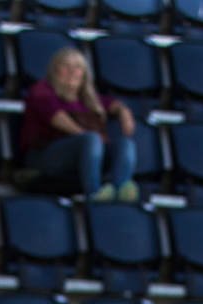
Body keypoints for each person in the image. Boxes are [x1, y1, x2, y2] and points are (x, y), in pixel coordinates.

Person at [18, 47, 139, 203]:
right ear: (54, 69)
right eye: (65, 66)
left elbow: (112, 104)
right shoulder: (42, 91)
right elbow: (56, 118)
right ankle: (93, 193)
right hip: (45, 156)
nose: (72, 71)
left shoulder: (88, 98)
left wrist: (124, 112)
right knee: (91, 139)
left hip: (84, 155)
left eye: (78, 67)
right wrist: (88, 137)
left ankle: (119, 191)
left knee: (125, 144)